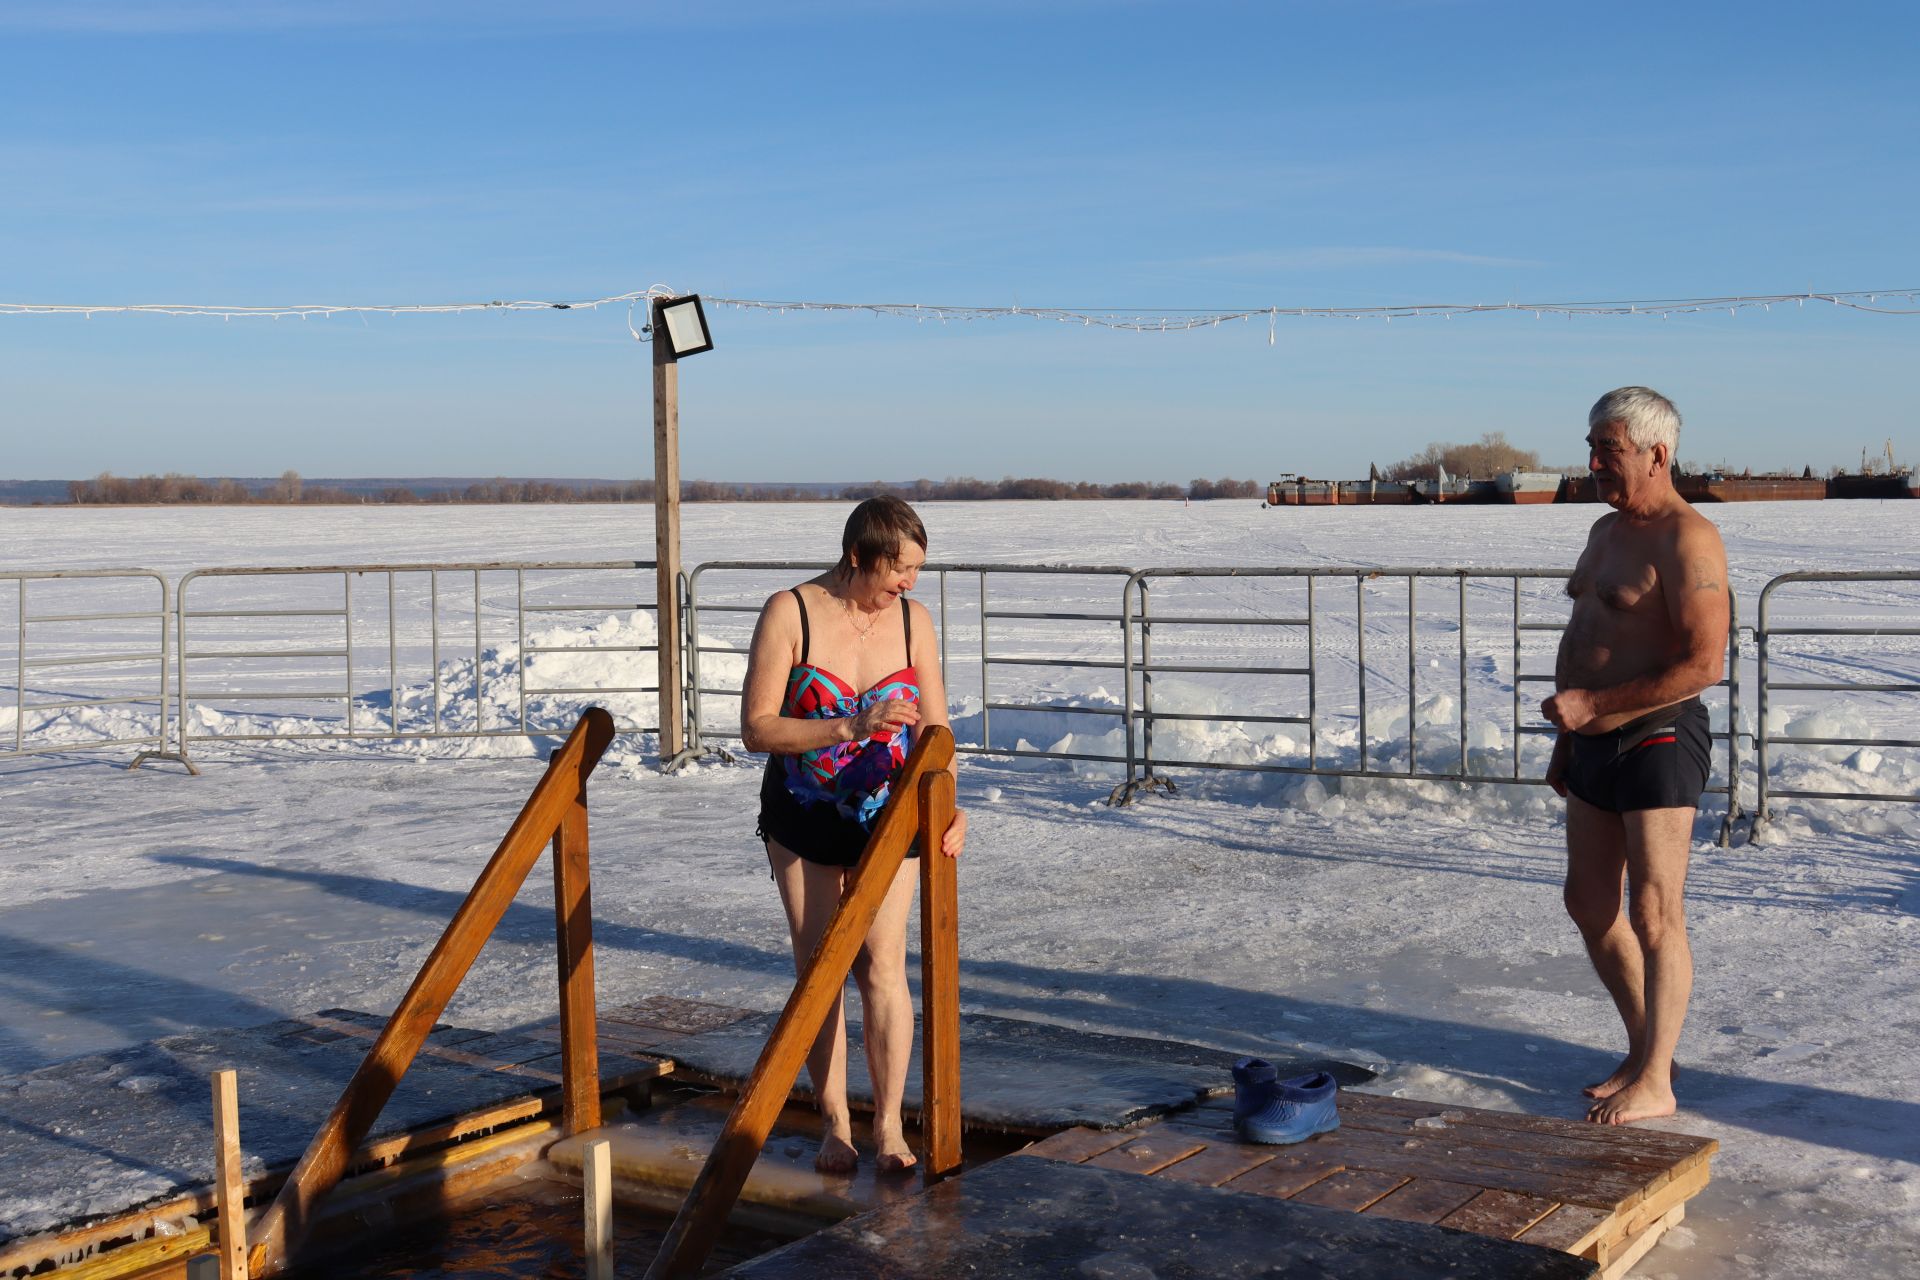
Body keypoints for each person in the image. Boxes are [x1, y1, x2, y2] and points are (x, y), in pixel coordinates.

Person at [739, 496, 968, 1173]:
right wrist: (849, 727)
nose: (909, 583)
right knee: (820, 971)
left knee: (883, 967)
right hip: (803, 816)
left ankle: (890, 1127)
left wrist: (951, 800)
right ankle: (835, 1123)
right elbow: (756, 728)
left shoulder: (912, 620)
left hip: (889, 818)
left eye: (918, 569)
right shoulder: (791, 611)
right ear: (858, 556)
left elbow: (936, 729)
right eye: (900, 568)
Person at [1543, 387, 1729, 1125]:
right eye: (1591, 448)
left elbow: (1704, 662)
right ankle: (1646, 1046)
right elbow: (1590, 631)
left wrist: (1595, 705)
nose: (1593, 464)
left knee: (1655, 912)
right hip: (1588, 743)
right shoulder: (1603, 529)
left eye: (1608, 450)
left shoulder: (1690, 540)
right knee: (1589, 903)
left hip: (1656, 737)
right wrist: (1570, 735)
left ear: (1658, 452)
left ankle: (1658, 1079)